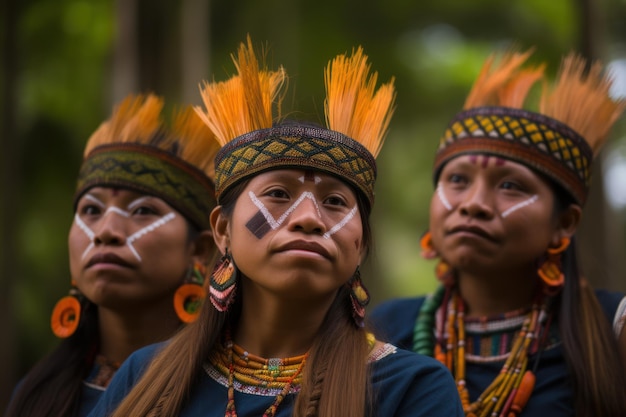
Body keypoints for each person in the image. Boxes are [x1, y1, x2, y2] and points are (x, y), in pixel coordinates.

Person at [87, 38, 464, 417]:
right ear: (222, 230)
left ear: (361, 242)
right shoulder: (144, 376)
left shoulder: (411, 388)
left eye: (335, 202)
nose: (308, 218)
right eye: (279, 193)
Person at [370, 48, 626, 417]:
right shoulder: (386, 327)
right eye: (457, 180)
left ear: (564, 223)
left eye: (510, 186)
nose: (474, 204)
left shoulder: (612, 327)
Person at [6, 94, 220, 417]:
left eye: (143, 210)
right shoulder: (35, 396)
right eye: (91, 209)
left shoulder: (227, 393)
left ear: (200, 250)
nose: (106, 230)